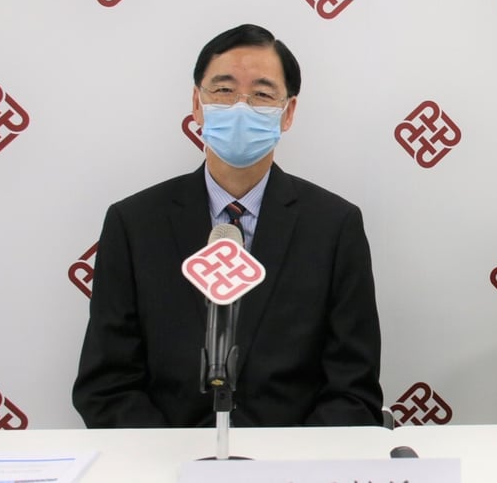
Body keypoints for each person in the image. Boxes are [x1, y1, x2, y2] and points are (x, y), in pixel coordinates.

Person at [73, 24, 383, 427]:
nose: (240, 106)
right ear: (197, 104)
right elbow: (106, 385)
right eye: (223, 90)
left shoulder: (334, 226)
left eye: (262, 93)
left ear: (287, 112)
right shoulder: (134, 224)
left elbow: (353, 390)